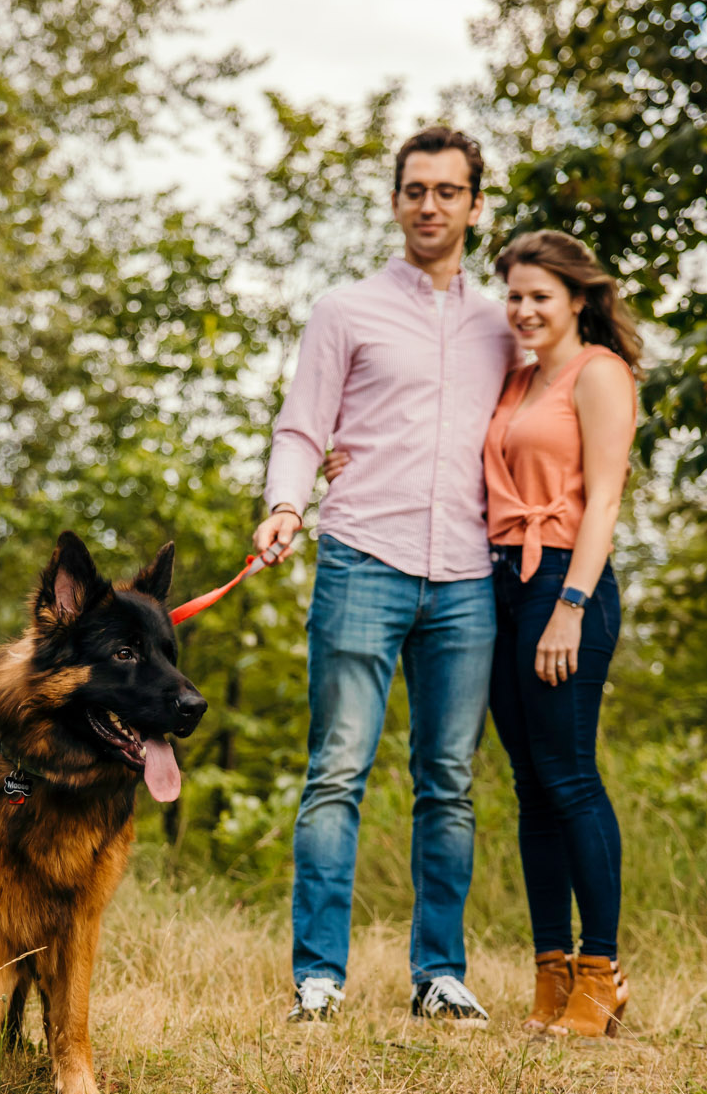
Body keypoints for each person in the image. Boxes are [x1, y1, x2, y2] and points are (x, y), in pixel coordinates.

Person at [253, 127, 520, 1026]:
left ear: (476, 206)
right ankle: (318, 978)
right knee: (337, 771)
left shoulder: (504, 323)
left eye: (449, 191)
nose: (431, 205)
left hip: (470, 575)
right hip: (363, 557)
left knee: (449, 780)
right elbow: (301, 425)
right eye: (416, 189)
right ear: (396, 201)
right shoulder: (345, 310)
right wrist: (288, 503)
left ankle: (439, 972)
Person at [483, 230, 640, 1037]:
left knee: (570, 776)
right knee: (530, 786)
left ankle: (600, 971)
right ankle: (549, 974)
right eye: (513, 294)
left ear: (579, 299)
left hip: (563, 583)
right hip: (503, 582)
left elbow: (605, 502)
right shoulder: (513, 379)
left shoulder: (599, 373)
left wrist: (570, 606)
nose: (524, 309)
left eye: (540, 295)